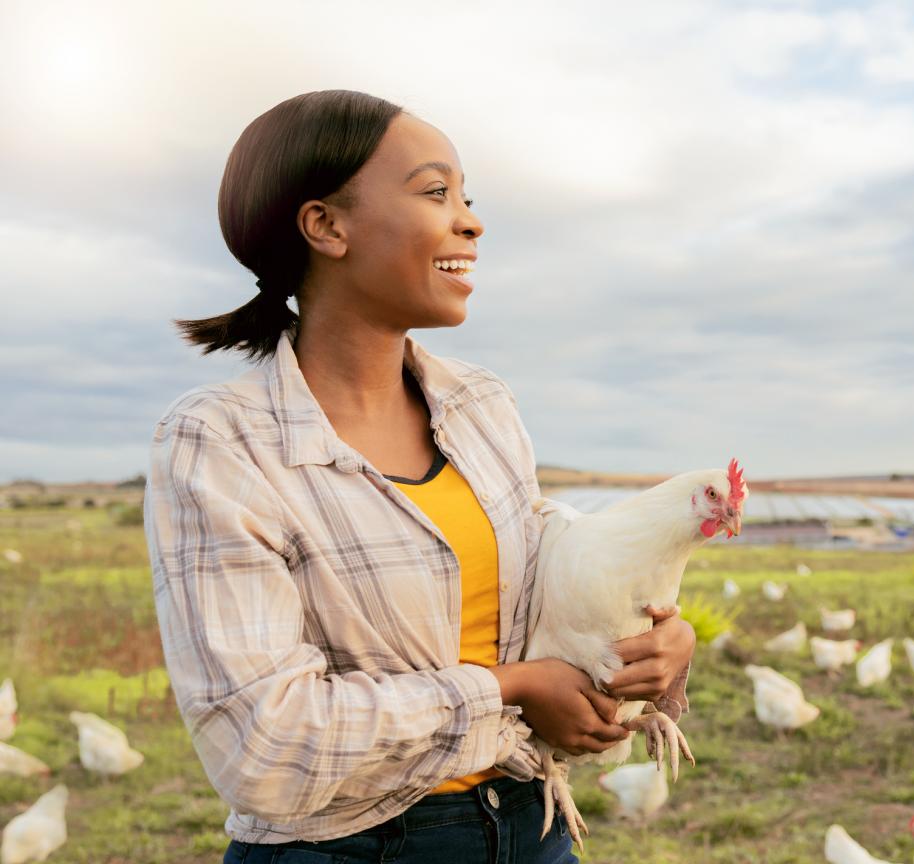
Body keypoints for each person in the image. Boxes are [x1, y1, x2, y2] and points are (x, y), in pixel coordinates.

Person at [142, 90, 696, 864]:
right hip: (344, 848)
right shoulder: (220, 441)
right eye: (436, 192)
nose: (470, 221)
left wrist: (656, 650)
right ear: (326, 226)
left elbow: (545, 592)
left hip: (530, 824)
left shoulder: (481, 405)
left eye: (468, 197)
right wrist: (511, 687)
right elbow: (260, 745)